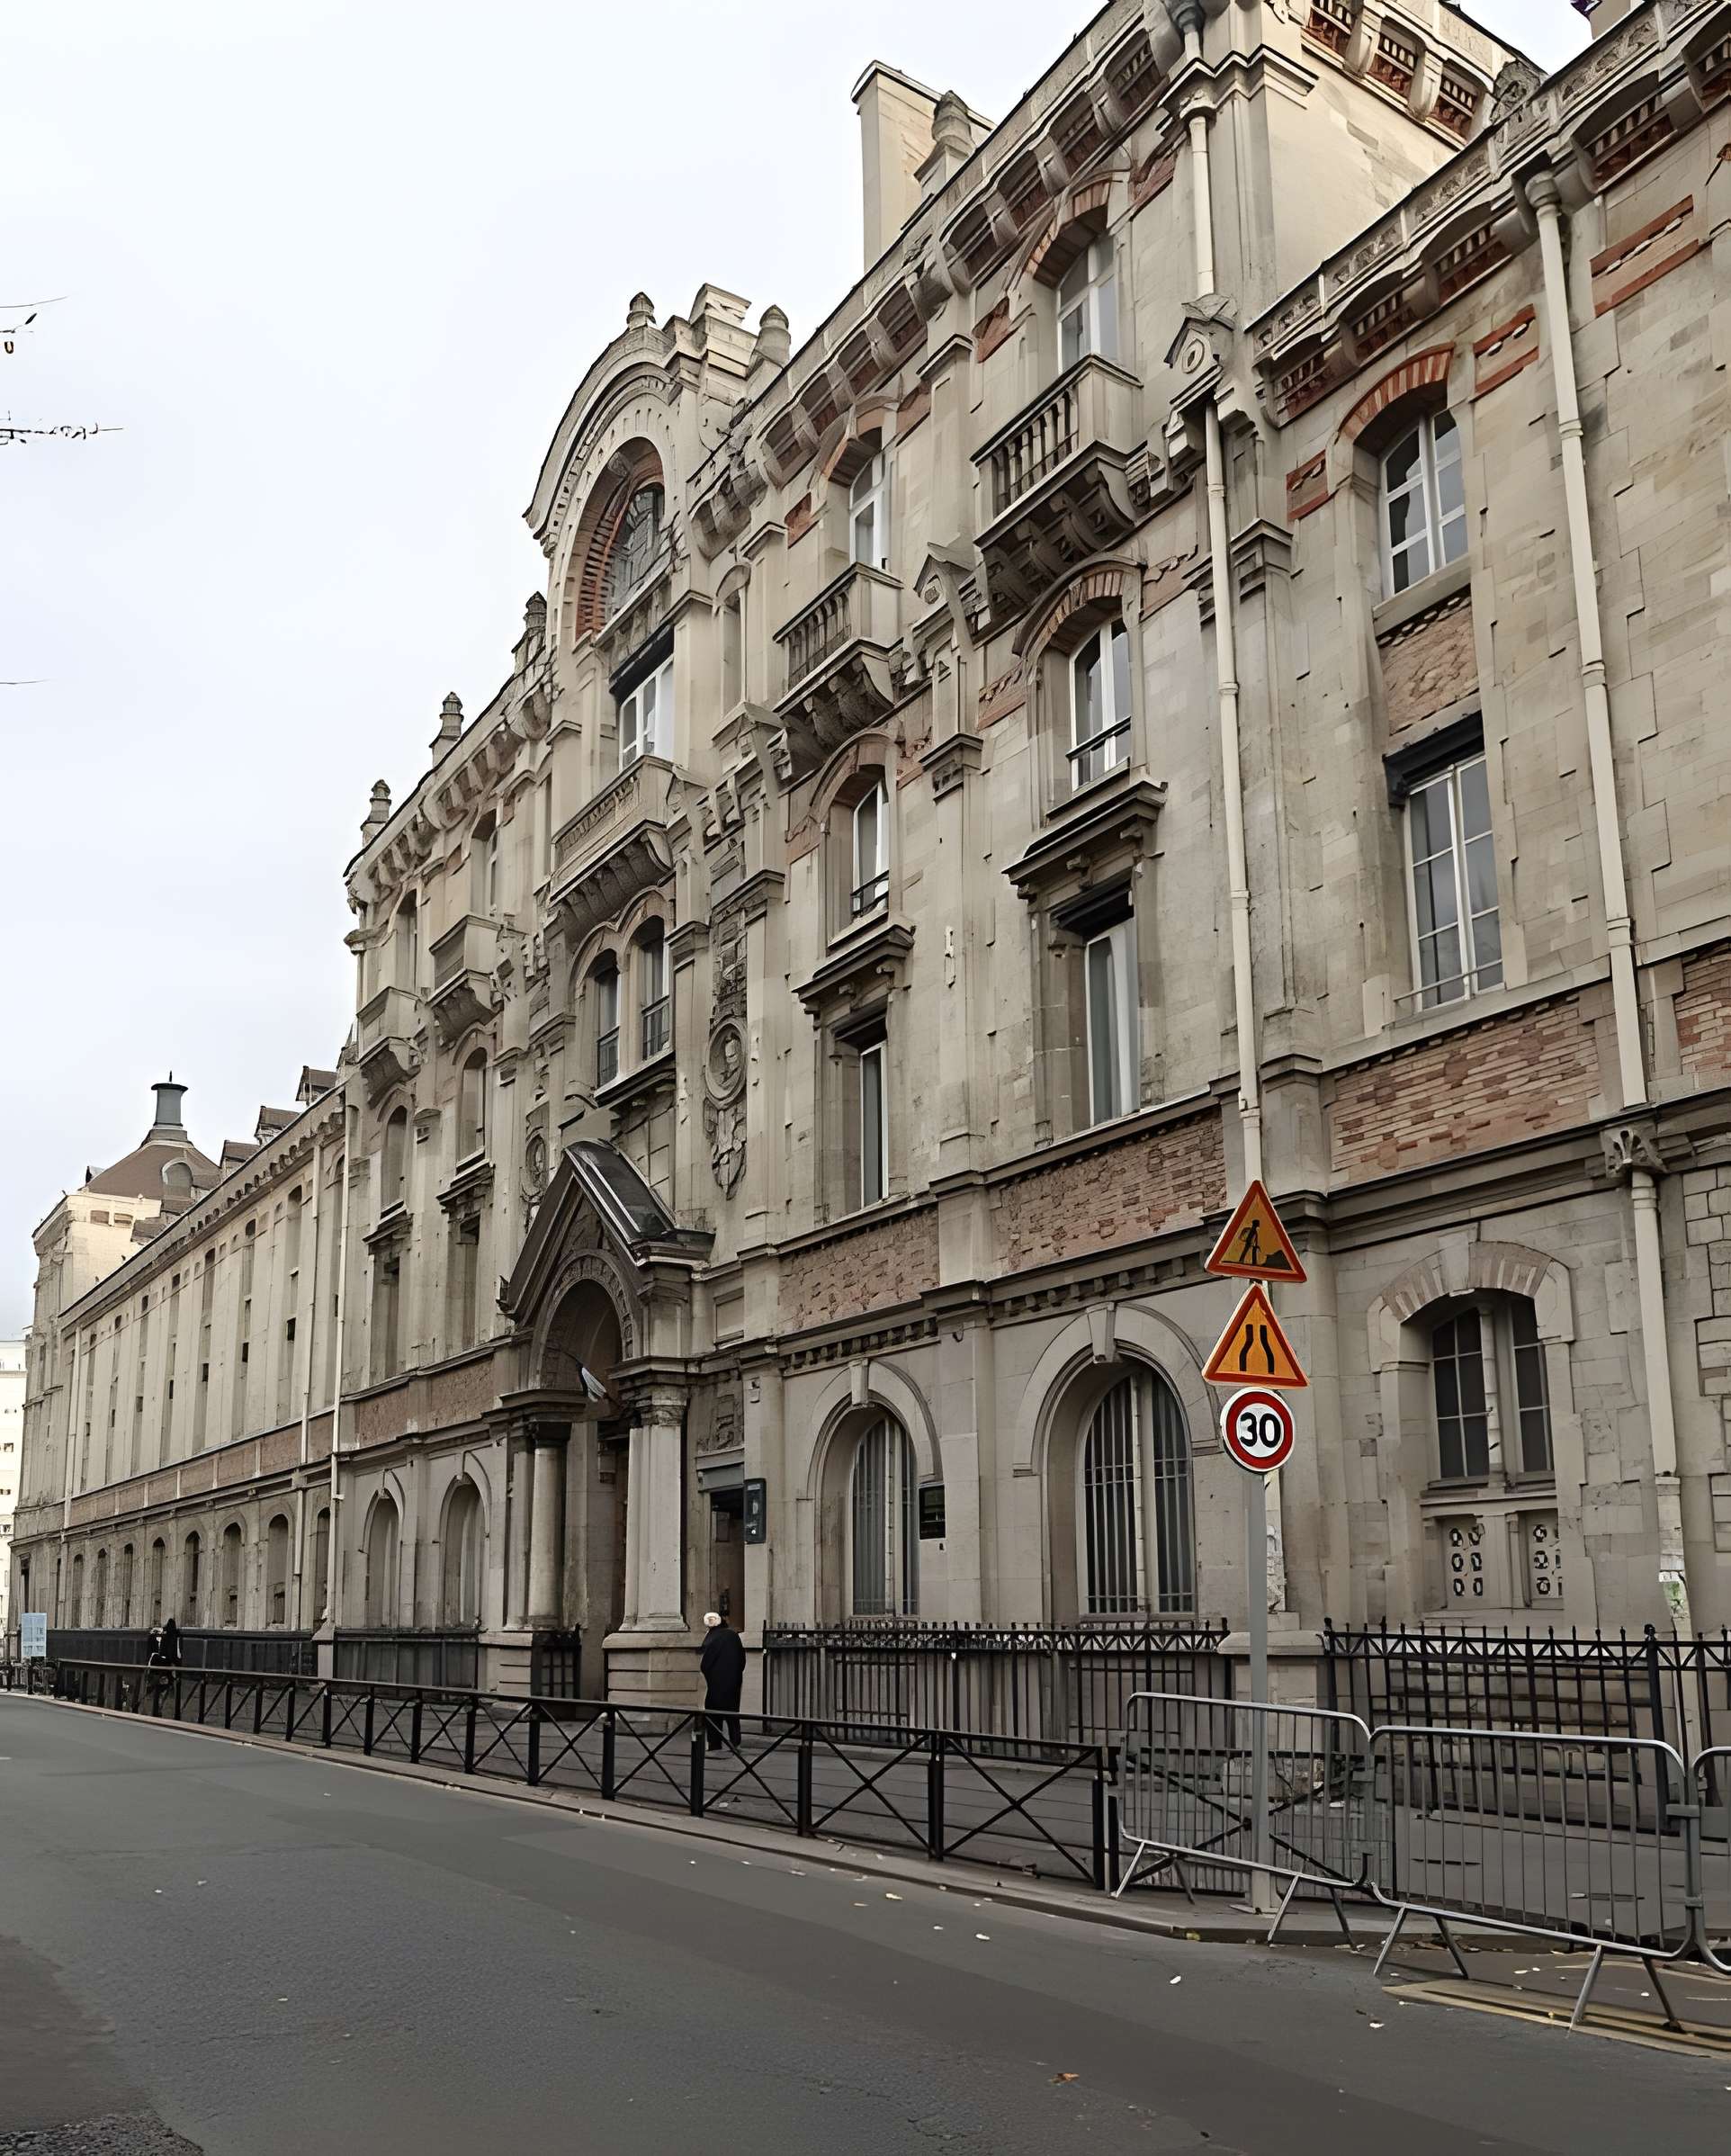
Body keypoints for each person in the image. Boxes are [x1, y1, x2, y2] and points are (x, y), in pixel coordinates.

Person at [699, 1610, 745, 1754]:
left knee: (713, 1713)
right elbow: (742, 1660)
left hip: (716, 1683)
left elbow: (705, 1664)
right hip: (733, 1682)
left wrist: (710, 1676)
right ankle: (735, 1743)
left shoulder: (711, 1637)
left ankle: (714, 1744)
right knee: (732, 1714)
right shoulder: (733, 1636)